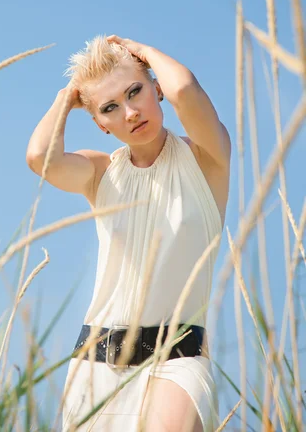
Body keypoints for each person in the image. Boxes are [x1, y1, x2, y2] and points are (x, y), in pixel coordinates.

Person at [26, 35, 231, 432]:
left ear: (157, 88)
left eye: (135, 91)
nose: (131, 112)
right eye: (110, 108)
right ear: (100, 125)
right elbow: (40, 157)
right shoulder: (101, 174)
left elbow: (186, 89)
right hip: (95, 367)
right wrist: (66, 98)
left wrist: (147, 52)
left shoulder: (208, 158)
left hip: (178, 360)